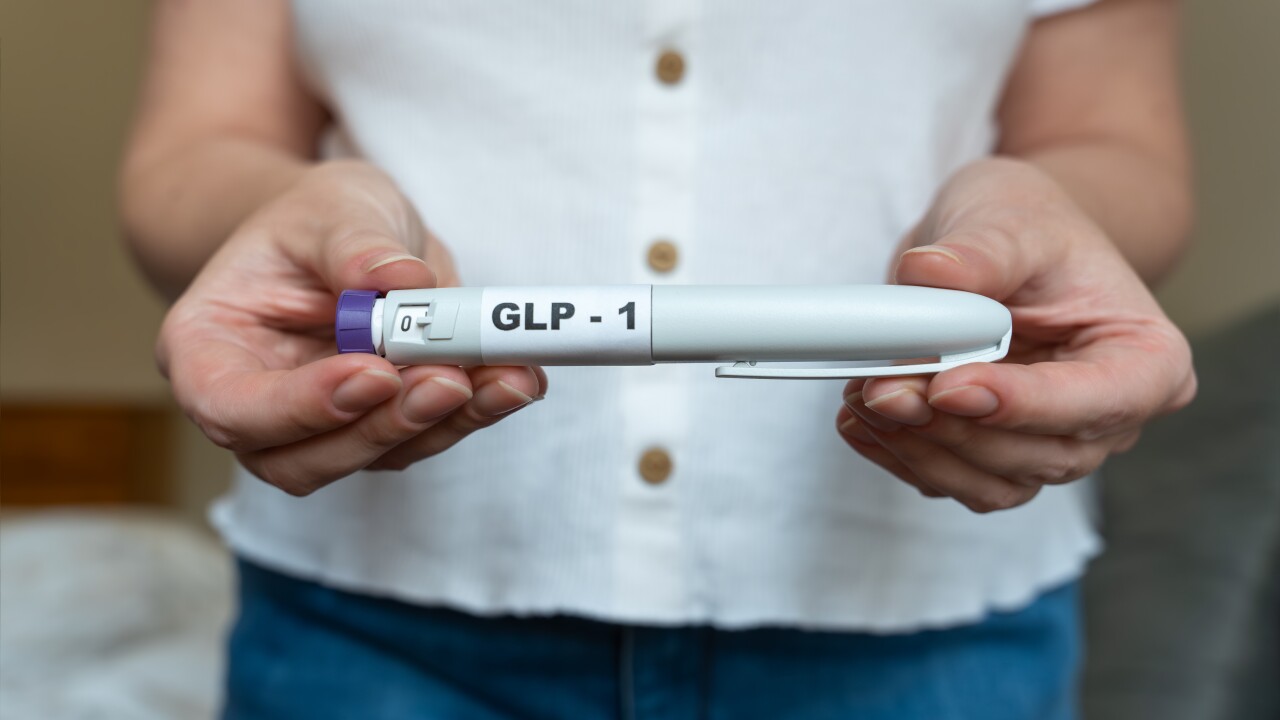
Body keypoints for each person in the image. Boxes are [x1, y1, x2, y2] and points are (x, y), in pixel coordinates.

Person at [120, 0, 1197, 717]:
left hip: (922, 620)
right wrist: (296, 218)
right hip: (369, 622)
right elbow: (196, 144)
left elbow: (1112, 140)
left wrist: (1042, 217)